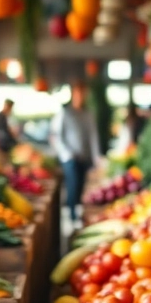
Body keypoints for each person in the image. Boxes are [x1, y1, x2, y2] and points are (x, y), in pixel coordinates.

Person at [50, 82, 101, 223]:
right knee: (72, 184)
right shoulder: (64, 113)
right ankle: (70, 213)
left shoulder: (88, 114)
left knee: (81, 185)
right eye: (79, 93)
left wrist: (96, 156)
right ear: (73, 94)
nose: (81, 97)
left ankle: (77, 212)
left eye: (83, 93)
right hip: (69, 158)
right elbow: (56, 136)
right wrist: (66, 153)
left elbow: (93, 136)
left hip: (84, 156)